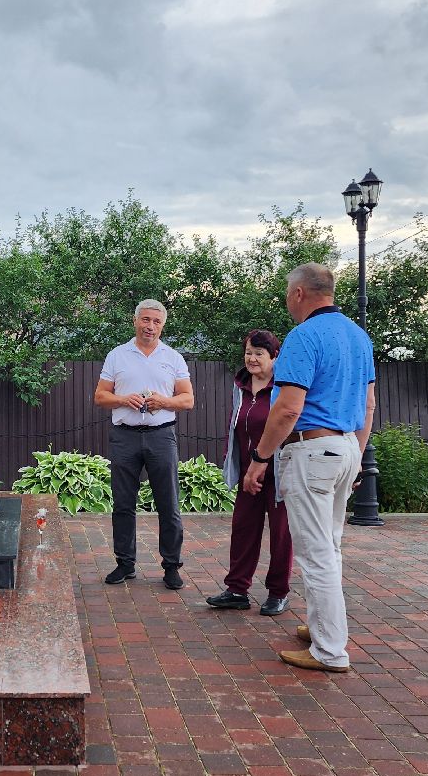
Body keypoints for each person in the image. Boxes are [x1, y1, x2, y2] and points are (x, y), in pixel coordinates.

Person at [243, 264, 375, 672]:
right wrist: (355, 456)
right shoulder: (358, 336)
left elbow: (287, 409)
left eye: (287, 292)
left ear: (299, 293)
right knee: (329, 546)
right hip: (346, 447)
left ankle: (330, 650)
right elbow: (369, 405)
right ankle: (323, 626)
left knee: (316, 553)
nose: (286, 299)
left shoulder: (303, 337)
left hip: (311, 452)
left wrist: (260, 459)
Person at [93, 300, 195, 589]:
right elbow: (100, 396)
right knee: (123, 504)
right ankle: (125, 564)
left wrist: (164, 402)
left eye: (157, 322)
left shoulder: (173, 357)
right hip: (124, 435)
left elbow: (187, 399)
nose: (150, 326)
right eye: (146, 320)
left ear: (163, 325)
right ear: (135, 320)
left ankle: (171, 566)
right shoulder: (117, 355)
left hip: (162, 435)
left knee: (169, 504)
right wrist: (124, 399)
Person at [206, 329, 293, 616]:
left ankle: (278, 593)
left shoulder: (284, 385)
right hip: (247, 472)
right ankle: (237, 589)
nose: (252, 359)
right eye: (248, 352)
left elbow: (288, 424)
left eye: (259, 353)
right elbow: (236, 425)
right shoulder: (240, 384)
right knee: (243, 528)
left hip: (278, 471)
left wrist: (265, 460)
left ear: (274, 356)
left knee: (281, 533)